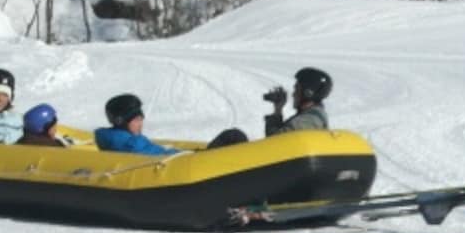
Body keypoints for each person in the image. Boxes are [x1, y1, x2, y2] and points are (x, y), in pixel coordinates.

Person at [95, 94, 248, 155]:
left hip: (183, 159)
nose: (141, 123)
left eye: (141, 118)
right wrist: (190, 155)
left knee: (232, 137)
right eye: (136, 120)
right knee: (233, 136)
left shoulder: (121, 139)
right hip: (184, 165)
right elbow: (158, 156)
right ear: (121, 122)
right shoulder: (129, 144)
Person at [264, 67, 331, 136]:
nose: (293, 94)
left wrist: (277, 112)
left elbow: (275, 141)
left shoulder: (309, 120)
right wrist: (278, 109)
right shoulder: (309, 115)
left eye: (297, 90)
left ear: (308, 93)